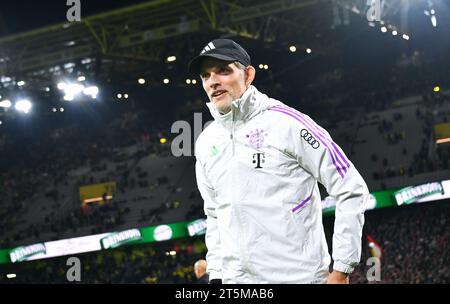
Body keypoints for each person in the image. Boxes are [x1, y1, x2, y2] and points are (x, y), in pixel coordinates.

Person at [189, 38, 370, 284]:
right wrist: (218, 275)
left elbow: (351, 187)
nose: (213, 81)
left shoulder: (288, 124)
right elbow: (214, 214)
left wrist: (341, 269)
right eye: (205, 75)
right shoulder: (206, 142)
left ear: (248, 74)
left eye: (224, 71)